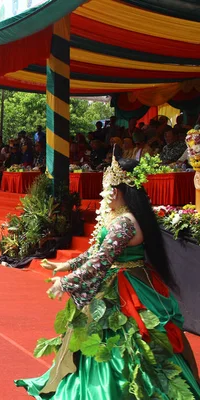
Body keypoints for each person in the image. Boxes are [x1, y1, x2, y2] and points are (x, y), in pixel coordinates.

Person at [16, 157, 200, 399]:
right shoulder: (123, 218)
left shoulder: (125, 223)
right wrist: (66, 264)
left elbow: (101, 261)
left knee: (127, 338)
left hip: (126, 287)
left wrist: (68, 282)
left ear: (116, 191)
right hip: (127, 279)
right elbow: (96, 251)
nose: (104, 196)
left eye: (107, 190)